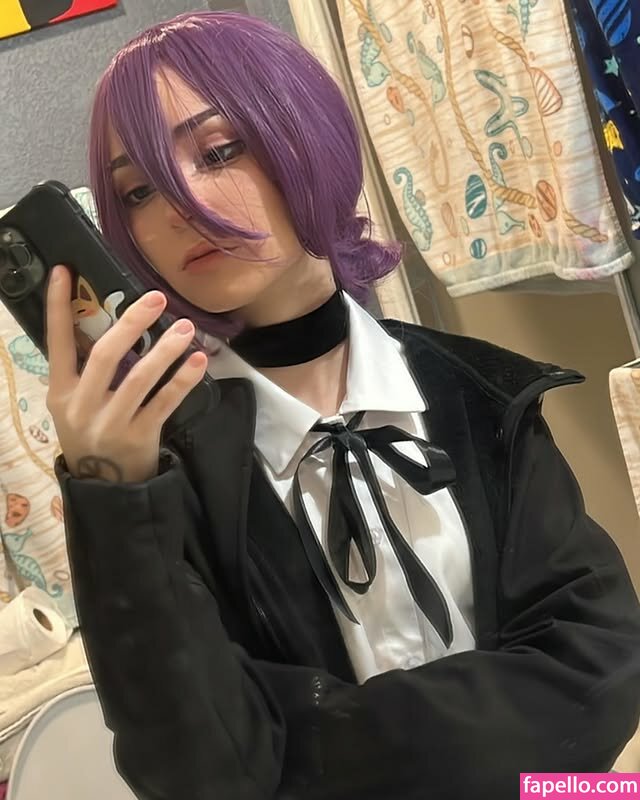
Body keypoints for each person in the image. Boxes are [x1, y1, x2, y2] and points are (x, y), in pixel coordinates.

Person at [45, 10, 640, 800]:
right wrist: (112, 499)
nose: (179, 202)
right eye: (138, 190)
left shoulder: (482, 389)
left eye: (217, 151)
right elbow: (194, 772)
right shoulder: (155, 466)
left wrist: (289, 749)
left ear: (306, 134)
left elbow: (602, 667)